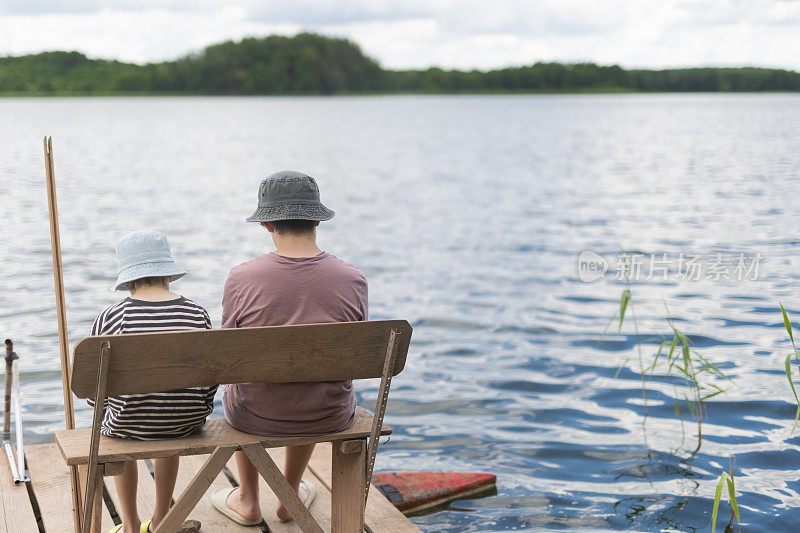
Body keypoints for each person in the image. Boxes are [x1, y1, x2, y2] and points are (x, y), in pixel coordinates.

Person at [211, 171, 368, 525]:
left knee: (242, 382)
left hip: (254, 415)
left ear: (266, 223)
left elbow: (227, 357)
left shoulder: (241, 277)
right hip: (327, 413)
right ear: (316, 218)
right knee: (314, 379)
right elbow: (354, 359)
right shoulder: (352, 278)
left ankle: (248, 499)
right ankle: (290, 490)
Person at [91, 230, 217, 533]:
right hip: (184, 423)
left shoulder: (112, 317)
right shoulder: (197, 313)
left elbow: (95, 389)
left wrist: (111, 408)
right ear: (168, 275)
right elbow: (211, 378)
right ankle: (162, 518)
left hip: (126, 425)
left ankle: (132, 525)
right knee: (168, 429)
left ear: (129, 279)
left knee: (120, 431)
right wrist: (199, 407)